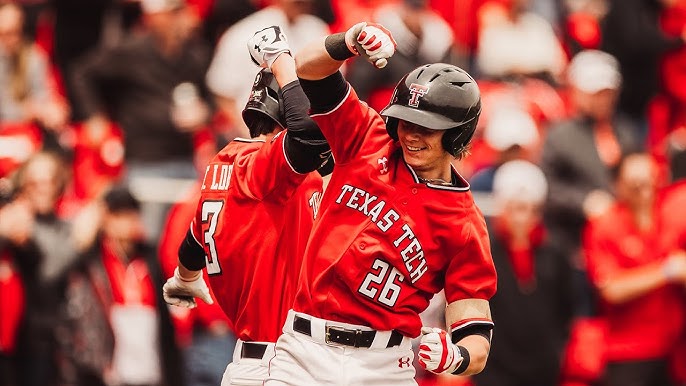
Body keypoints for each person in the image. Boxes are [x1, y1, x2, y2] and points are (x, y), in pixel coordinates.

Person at [264, 22, 497, 384]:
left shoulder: (465, 222)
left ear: (458, 133)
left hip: (385, 365)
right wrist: (348, 40)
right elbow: (306, 68)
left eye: (427, 127)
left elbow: (476, 335)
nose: (412, 134)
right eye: (405, 121)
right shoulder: (367, 139)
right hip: (304, 350)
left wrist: (457, 356)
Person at [162, 26, 332, 385]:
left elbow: (194, 240)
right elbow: (308, 135)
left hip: (255, 360)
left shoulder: (222, 164)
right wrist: (282, 63)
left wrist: (185, 277)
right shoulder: (263, 165)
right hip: (281, 363)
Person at [582, 152, 686, 386]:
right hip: (629, 351)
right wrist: (666, 271)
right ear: (618, 185)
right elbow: (611, 288)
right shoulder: (605, 226)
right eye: (635, 183)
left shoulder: (671, 216)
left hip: (675, 349)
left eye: (650, 179)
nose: (644, 188)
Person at [473, 160, 573, 386]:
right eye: (513, 208)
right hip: (495, 365)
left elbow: (566, 306)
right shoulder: (484, 251)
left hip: (543, 364)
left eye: (527, 209)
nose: (520, 217)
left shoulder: (555, 252)